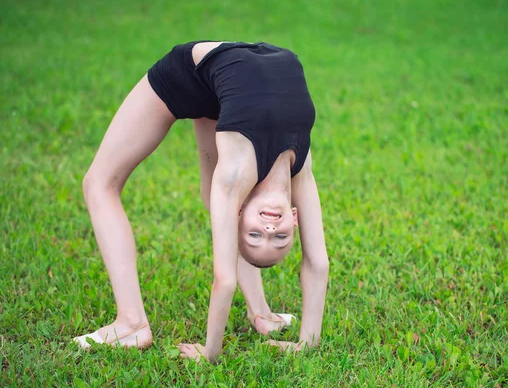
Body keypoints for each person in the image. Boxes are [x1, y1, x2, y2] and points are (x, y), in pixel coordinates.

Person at [72, 41, 330, 362]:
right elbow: (318, 261)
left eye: (255, 234)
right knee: (205, 197)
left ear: (241, 212)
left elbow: (224, 279)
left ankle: (131, 324)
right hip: (216, 72)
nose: (269, 227)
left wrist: (210, 351)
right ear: (294, 220)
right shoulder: (299, 168)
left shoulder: (235, 175)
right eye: (280, 237)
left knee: (99, 183)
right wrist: (309, 342)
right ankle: (261, 313)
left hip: (199, 76)